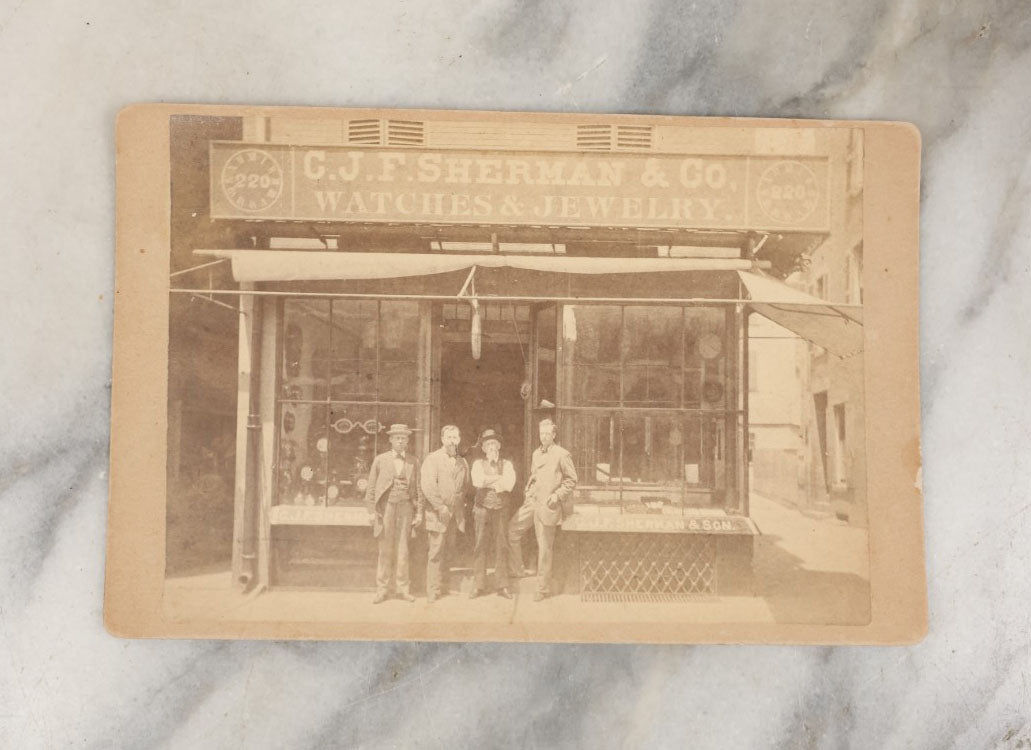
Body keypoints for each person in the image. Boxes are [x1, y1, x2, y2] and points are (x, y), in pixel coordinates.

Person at [508, 418, 578, 601]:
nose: (544, 437)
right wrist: (529, 488)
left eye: (548, 433)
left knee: (545, 549)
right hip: (532, 503)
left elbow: (572, 479)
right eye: (541, 434)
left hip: (548, 505)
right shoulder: (536, 454)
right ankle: (518, 570)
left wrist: (557, 496)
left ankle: (542, 589)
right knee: (512, 531)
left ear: (554, 435)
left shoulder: (562, 454)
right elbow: (535, 475)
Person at [364, 424, 423, 604]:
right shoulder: (380, 460)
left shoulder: (414, 461)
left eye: (404, 438)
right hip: (387, 508)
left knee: (403, 549)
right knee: (385, 549)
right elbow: (371, 488)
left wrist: (419, 512)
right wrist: (372, 511)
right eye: (397, 437)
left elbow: (419, 489)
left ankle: (403, 589)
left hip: (405, 507)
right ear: (390, 440)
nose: (401, 441)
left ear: (407, 441)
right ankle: (382, 590)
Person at [420, 424, 470, 602]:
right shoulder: (432, 459)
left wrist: (457, 506)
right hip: (437, 514)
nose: (452, 441)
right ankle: (432, 590)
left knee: (449, 550)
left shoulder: (462, 462)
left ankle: (445, 586)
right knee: (435, 552)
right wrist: (440, 507)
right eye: (448, 437)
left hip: (454, 515)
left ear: (459, 439)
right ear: (442, 439)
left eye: (455, 437)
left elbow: (465, 487)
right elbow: (427, 485)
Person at [469, 429, 516, 599]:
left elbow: (509, 485)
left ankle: (502, 585)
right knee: (480, 545)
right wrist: (497, 479)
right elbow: (477, 481)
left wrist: (489, 481)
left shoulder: (507, 464)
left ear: (499, 446)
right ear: (483, 448)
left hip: (501, 509)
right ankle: (478, 585)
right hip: (481, 509)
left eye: (494, 444)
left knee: (501, 546)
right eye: (488, 444)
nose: (491, 447)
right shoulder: (477, 464)